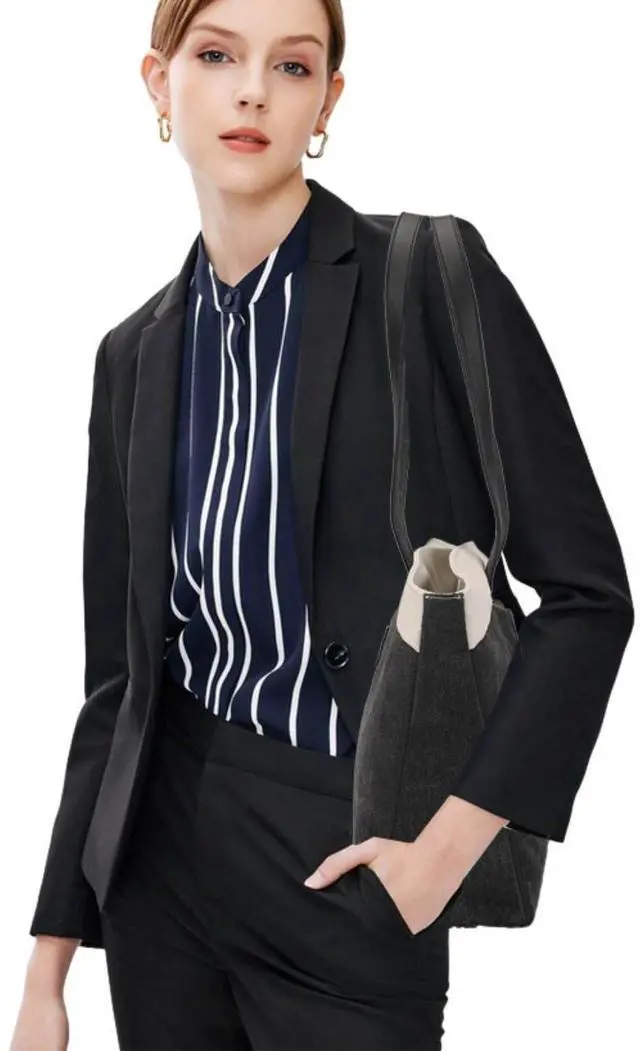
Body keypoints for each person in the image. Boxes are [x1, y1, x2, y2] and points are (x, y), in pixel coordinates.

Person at [11, 0, 634, 1048]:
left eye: (292, 66)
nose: (253, 90)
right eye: (217, 55)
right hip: (159, 876)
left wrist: (439, 856)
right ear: (160, 83)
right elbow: (119, 685)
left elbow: (588, 598)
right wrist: (48, 963)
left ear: (327, 102)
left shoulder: (426, 276)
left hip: (348, 860)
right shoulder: (134, 355)